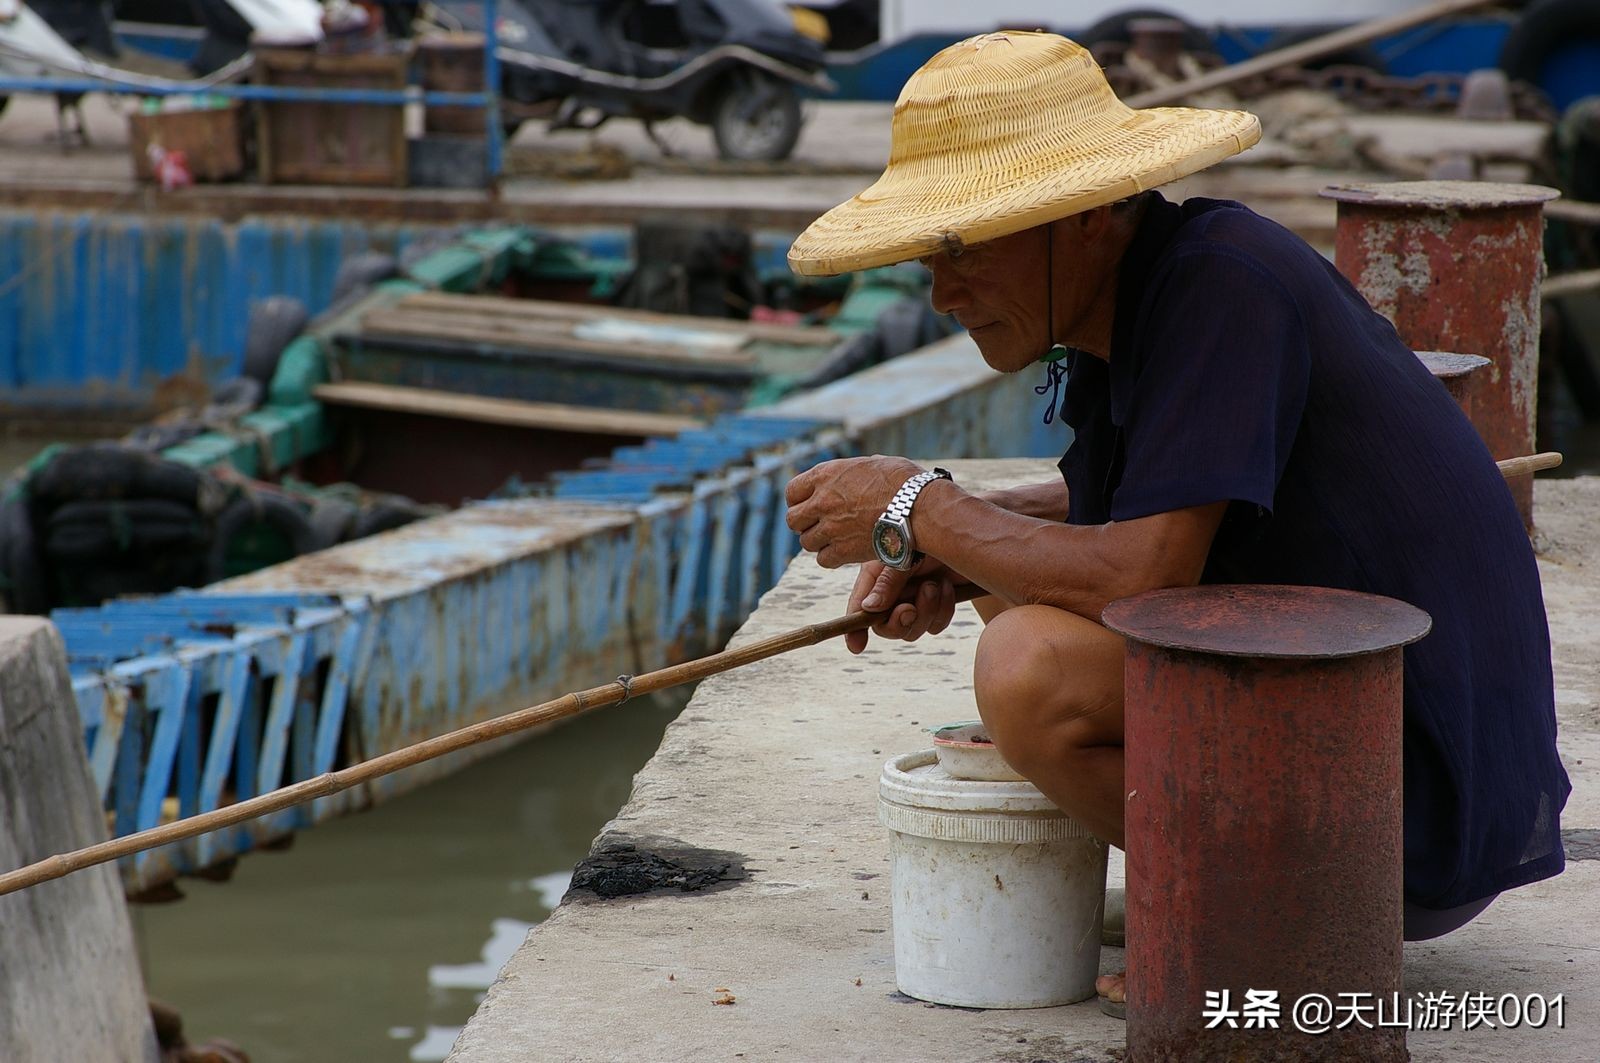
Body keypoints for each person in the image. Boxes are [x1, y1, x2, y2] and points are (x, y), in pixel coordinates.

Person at [780, 31, 1570, 1011]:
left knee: (1026, 663)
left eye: (966, 248)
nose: (943, 295)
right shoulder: (1139, 300)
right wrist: (945, 542)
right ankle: (1253, 889)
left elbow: (1139, 573)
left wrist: (917, 504)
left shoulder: (1220, 282)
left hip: (1423, 795)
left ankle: (1263, 921)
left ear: (1086, 217)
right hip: (1361, 744)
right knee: (1012, 587)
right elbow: (1143, 508)